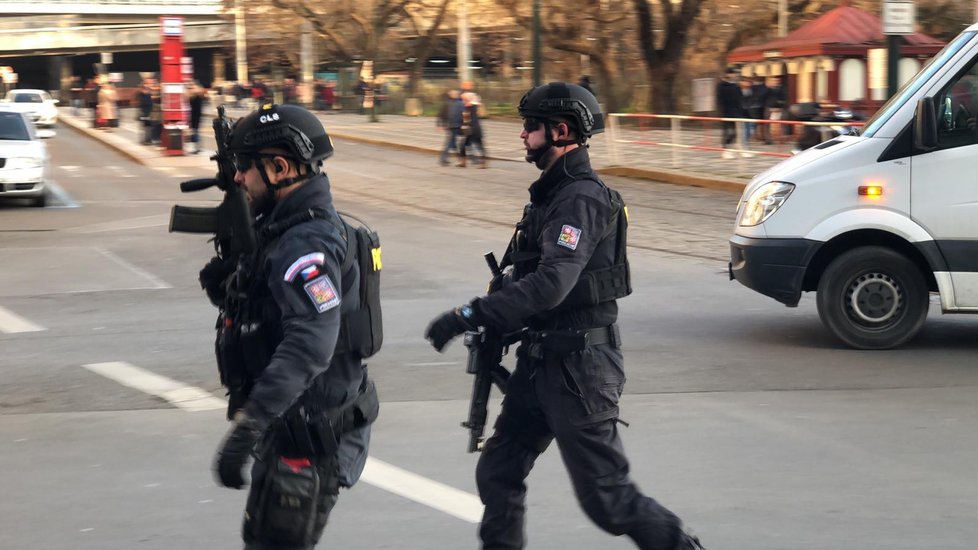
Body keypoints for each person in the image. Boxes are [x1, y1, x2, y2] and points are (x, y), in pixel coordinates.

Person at [423, 82, 704, 550]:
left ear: (561, 131)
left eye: (530, 126)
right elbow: (529, 278)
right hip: (543, 362)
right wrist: (496, 319)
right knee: (498, 471)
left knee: (607, 500)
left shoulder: (580, 198)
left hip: (580, 370)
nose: (522, 135)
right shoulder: (552, 195)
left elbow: (554, 283)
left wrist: (471, 314)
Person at [199, 103, 378, 550]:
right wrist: (231, 281)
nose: (238, 178)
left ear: (279, 168)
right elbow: (269, 313)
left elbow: (310, 343)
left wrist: (248, 427)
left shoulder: (306, 244)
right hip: (291, 424)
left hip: (311, 437)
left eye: (245, 167)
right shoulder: (280, 229)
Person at [716, 67, 742, 159]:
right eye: (732, 73)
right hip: (726, 112)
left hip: (736, 112)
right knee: (728, 131)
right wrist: (722, 111)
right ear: (728, 74)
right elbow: (720, 100)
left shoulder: (736, 86)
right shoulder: (721, 86)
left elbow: (740, 98)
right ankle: (725, 149)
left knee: (736, 132)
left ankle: (732, 148)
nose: (734, 75)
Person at [458, 91, 487, 168]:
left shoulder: (472, 106)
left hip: (472, 130)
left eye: (464, 99)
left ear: (468, 99)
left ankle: (482, 162)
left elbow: (470, 119)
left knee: (478, 145)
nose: (463, 101)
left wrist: (466, 124)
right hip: (473, 129)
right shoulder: (471, 106)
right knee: (465, 145)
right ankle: (463, 162)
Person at [437, 89, 464, 166]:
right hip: (452, 126)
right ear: (450, 95)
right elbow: (441, 115)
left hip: (456, 126)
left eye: (456, 94)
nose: (455, 95)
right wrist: (439, 125)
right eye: (453, 94)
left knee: (453, 143)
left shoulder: (460, 103)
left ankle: (456, 158)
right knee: (450, 143)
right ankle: (444, 159)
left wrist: (465, 124)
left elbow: (463, 115)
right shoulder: (447, 103)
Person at [187, 82, 205, 154]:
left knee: (196, 132)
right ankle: (197, 148)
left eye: (193, 88)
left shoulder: (198, 97)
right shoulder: (194, 97)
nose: (191, 90)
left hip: (196, 117)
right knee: (195, 132)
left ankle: (197, 148)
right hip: (194, 117)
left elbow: (196, 109)